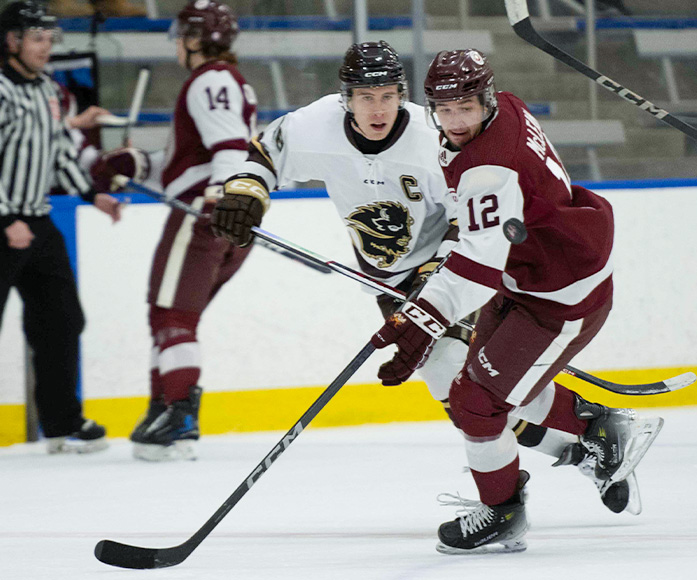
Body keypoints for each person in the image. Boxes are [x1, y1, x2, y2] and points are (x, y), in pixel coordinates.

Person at [209, 41, 642, 517]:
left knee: (469, 388)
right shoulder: (314, 125)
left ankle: (553, 465)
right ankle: (587, 439)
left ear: (403, 94)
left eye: (389, 95)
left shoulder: (433, 138)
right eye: (366, 97)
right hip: (384, 280)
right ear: (344, 99)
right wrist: (245, 191)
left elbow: (472, 231)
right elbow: (264, 153)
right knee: (460, 391)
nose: (379, 108)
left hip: (446, 269)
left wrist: (432, 289)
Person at [367, 49, 664, 554]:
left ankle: (502, 511)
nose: (455, 121)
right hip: (530, 275)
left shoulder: (488, 168)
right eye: (443, 108)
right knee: (490, 388)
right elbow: (487, 236)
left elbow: (479, 263)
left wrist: (421, 316)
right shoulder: (506, 104)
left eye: (465, 107)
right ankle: (597, 425)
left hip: (560, 297)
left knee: (475, 401)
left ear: (483, 98)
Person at [90, 0, 256, 461]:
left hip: (204, 216)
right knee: (174, 318)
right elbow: (190, 164)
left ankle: (179, 415)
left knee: (171, 317)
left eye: (183, 35)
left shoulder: (209, 81)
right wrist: (135, 163)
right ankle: (162, 408)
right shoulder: (228, 82)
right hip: (226, 217)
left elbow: (229, 148)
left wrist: (220, 197)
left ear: (195, 38)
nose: (178, 44)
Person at [0, 0, 122, 453]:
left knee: (63, 320)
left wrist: (93, 195)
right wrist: (6, 216)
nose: (46, 47)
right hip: (4, 222)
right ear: (11, 41)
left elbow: (59, 155)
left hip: (37, 221)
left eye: (50, 39)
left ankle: (61, 424)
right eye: (37, 38)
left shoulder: (48, 90)